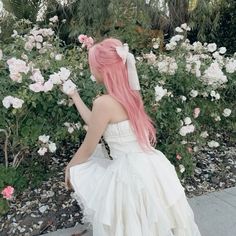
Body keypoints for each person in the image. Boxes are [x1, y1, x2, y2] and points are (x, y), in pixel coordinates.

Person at [63, 38, 202, 236]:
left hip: (128, 172)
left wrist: (70, 167)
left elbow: (88, 147)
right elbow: (96, 124)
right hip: (152, 165)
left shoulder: (104, 103)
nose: (91, 70)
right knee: (155, 221)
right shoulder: (131, 94)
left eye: (92, 66)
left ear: (103, 69)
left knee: (132, 225)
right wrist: (75, 97)